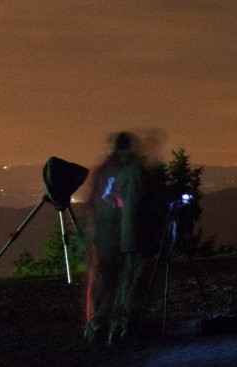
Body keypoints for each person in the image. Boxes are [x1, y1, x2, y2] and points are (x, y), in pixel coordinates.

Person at [84, 132, 148, 345]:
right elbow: (140, 201)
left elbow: (93, 203)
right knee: (127, 282)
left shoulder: (103, 172)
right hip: (128, 236)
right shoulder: (135, 171)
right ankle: (121, 326)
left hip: (104, 237)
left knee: (104, 282)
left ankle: (97, 325)